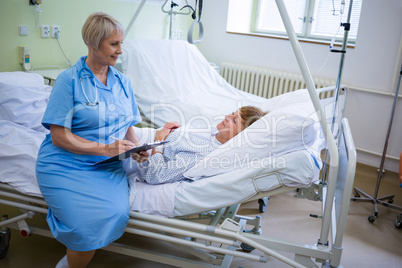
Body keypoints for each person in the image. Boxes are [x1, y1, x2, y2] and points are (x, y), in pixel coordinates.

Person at [35, 12, 148, 268]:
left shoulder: (122, 82)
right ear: (93, 43)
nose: (120, 50)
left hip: (106, 166)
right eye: (114, 44)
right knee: (83, 223)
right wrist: (105, 148)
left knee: (116, 212)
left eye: (121, 43)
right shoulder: (69, 81)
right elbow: (58, 136)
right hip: (65, 164)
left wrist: (136, 148)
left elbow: (129, 124)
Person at [136, 106, 267, 185]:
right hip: (153, 136)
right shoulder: (217, 132)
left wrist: (159, 142)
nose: (227, 116)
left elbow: (155, 176)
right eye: (233, 113)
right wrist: (180, 130)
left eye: (234, 120)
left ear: (240, 136)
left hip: (142, 151)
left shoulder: (204, 155)